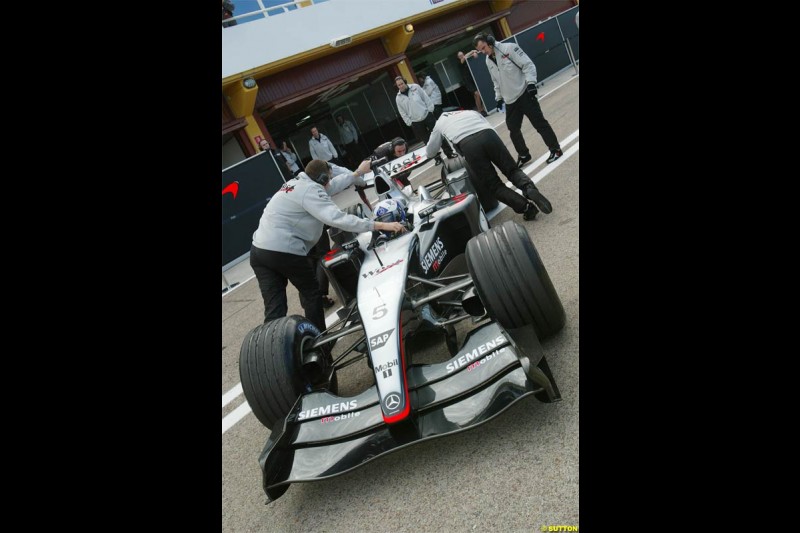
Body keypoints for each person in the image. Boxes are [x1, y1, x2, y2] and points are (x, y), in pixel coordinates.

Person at [250, 158, 406, 331]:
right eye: (329, 179)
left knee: (274, 309)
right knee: (312, 294)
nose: (330, 182)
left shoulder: (298, 183)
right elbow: (338, 219)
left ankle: (273, 352)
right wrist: (380, 225)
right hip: (284, 251)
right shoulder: (310, 190)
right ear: (323, 179)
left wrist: (356, 174)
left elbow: (331, 187)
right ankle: (319, 346)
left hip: (258, 251)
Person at [426, 109, 553, 221]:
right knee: (512, 170)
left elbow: (430, 151)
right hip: (489, 136)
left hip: (468, 145)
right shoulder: (469, 112)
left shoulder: (440, 123)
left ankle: (526, 208)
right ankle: (529, 188)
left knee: (494, 185)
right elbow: (488, 125)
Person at [472, 32, 563, 167]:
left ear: (490, 41)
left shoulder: (509, 48)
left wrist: (531, 83)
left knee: (539, 123)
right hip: (510, 101)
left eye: (484, 47)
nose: (484, 52)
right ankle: (524, 155)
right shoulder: (488, 61)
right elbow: (496, 81)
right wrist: (499, 98)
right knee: (513, 129)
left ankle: (555, 150)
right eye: (480, 51)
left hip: (524, 94)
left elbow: (528, 65)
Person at [394, 76, 457, 161]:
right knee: (427, 142)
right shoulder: (398, 98)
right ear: (397, 86)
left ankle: (449, 153)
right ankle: (437, 159)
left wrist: (430, 109)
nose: (401, 86)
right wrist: (409, 122)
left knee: (438, 135)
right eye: (399, 85)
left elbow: (425, 97)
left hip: (427, 115)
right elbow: (402, 112)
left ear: (405, 82)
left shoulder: (415, 87)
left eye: (402, 83)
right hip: (416, 122)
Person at [456, 51, 487, 116]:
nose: (462, 56)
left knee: (476, 96)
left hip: (473, 79)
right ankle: (481, 110)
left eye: (462, 54)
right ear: (458, 57)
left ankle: (480, 110)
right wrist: (472, 52)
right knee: (477, 94)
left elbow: (474, 52)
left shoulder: (468, 59)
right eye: (460, 56)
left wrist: (474, 52)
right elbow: (463, 59)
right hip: (468, 82)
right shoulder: (460, 63)